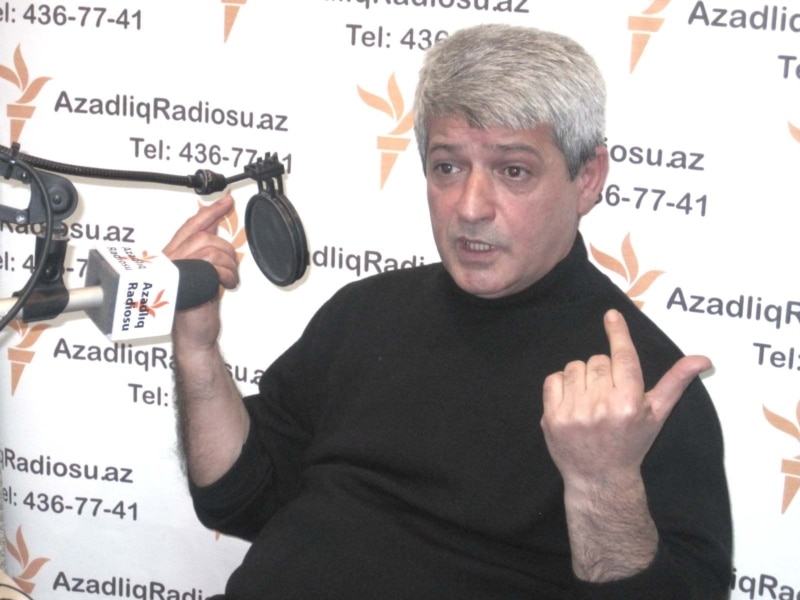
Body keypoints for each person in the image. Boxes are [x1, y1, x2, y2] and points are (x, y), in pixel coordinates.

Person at [164, 24, 732, 599]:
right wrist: (197, 348)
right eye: (448, 167)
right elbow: (235, 500)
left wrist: (602, 483)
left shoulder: (639, 388)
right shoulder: (364, 314)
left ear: (587, 179)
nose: (470, 206)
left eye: (513, 170)